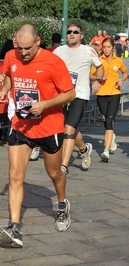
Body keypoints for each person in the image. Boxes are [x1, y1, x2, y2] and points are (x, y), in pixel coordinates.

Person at [0, 24, 76, 247]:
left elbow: (70, 93)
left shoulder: (53, 62)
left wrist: (45, 104)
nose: (22, 52)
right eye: (19, 47)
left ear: (37, 41)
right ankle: (14, 227)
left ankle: (62, 204)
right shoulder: (11, 56)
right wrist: (5, 89)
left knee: (54, 173)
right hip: (21, 126)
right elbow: (9, 76)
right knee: (14, 176)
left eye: (27, 48)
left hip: (48, 127)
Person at [53, 23, 104, 175]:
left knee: (68, 129)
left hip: (79, 94)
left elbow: (100, 67)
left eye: (75, 32)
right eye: (69, 32)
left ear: (81, 35)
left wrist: (98, 80)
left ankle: (63, 166)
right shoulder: (58, 51)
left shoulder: (88, 51)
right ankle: (84, 149)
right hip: (61, 95)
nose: (72, 34)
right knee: (67, 128)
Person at [93, 37, 128, 162]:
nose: (106, 49)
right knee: (105, 121)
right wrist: (99, 76)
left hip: (114, 93)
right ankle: (111, 136)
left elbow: (125, 72)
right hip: (101, 94)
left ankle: (106, 151)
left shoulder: (118, 60)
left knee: (109, 121)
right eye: (105, 47)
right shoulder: (98, 60)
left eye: (109, 47)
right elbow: (90, 75)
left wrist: (121, 80)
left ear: (113, 47)